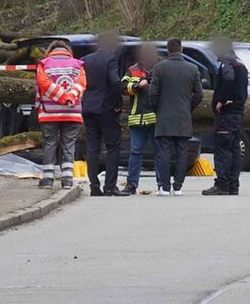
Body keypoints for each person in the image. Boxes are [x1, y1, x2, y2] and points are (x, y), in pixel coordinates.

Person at [147, 38, 203, 196]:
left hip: (164, 116)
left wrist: (156, 108)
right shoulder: (192, 69)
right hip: (183, 116)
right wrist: (188, 107)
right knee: (182, 153)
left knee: (164, 152)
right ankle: (178, 187)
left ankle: (164, 187)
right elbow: (198, 94)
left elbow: (153, 92)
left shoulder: (159, 68)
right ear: (181, 50)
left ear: (168, 50)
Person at [80, 32, 126, 196]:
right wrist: (115, 104)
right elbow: (115, 82)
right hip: (105, 108)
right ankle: (110, 186)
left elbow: (81, 83)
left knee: (92, 147)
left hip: (88, 108)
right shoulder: (110, 59)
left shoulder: (85, 60)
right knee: (113, 145)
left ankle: (94, 186)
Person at [35, 41, 85, 190]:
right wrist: (69, 97)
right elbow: (81, 84)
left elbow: (44, 84)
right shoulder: (78, 65)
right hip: (72, 112)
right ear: (68, 51)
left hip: (49, 112)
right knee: (69, 144)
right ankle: (67, 179)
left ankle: (48, 179)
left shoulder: (43, 64)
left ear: (50, 51)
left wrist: (61, 97)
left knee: (49, 143)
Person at [203, 36, 247, 196]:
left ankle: (222, 184)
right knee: (234, 149)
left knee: (223, 150)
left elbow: (228, 78)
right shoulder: (240, 63)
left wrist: (222, 100)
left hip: (227, 114)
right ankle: (233, 185)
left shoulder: (226, 63)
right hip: (238, 112)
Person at [118, 43, 160, 195]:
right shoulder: (133, 69)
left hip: (156, 118)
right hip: (137, 118)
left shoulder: (160, 68)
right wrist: (136, 86)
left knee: (159, 152)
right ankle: (131, 184)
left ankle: (162, 184)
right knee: (135, 152)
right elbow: (122, 87)